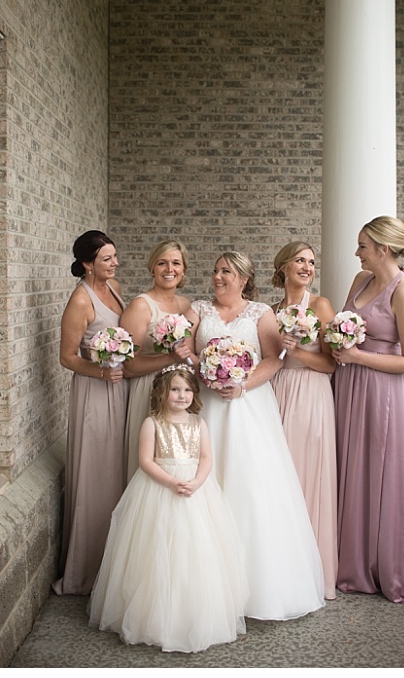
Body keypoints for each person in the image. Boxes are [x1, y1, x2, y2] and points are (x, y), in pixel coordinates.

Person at [183, 251, 326, 619]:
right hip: (208, 407)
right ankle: (203, 586)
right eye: (215, 271)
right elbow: (182, 347)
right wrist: (206, 369)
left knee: (251, 487)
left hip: (250, 409)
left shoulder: (260, 312)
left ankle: (257, 588)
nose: (217, 277)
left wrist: (242, 384)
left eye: (226, 272)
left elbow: (273, 359)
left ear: (244, 278)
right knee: (206, 483)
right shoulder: (199, 310)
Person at [87, 365, 248, 652]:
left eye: (187, 390)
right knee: (155, 549)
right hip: (159, 488)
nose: (181, 395)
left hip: (195, 491)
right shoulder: (152, 423)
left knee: (195, 548)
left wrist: (196, 482)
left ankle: (192, 611)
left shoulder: (199, 423)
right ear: (163, 391)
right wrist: (172, 482)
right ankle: (154, 616)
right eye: (175, 389)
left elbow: (207, 458)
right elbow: (146, 461)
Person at [332, 216, 404, 600]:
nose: (357, 253)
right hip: (348, 384)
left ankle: (380, 567)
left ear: (383, 250)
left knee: (377, 471)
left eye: (363, 247)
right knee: (347, 468)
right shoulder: (359, 282)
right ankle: (347, 563)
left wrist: (356, 357)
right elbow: (341, 325)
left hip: (381, 391)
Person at [54, 230, 129, 596]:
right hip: (95, 391)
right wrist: (100, 371)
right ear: (87, 264)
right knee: (97, 472)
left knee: (117, 470)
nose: (114, 263)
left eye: (114, 257)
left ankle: (116, 562)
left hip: (120, 386)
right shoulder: (81, 302)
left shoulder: (113, 287)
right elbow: (67, 357)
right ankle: (87, 569)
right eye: (106, 259)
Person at [270, 241, 339, 599]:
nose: (307, 267)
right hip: (276, 392)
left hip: (311, 393)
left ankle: (314, 573)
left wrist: (297, 351)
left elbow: (330, 364)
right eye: (300, 260)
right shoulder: (270, 310)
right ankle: (280, 568)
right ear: (283, 267)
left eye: (311, 262)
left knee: (307, 477)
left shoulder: (320, 305)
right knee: (278, 481)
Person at [118, 240, 194, 483]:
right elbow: (128, 367)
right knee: (152, 460)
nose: (168, 269)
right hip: (150, 389)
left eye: (175, 263)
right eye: (162, 263)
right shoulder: (141, 306)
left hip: (180, 393)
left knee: (177, 462)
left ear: (183, 270)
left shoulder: (185, 305)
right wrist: (169, 358)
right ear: (153, 268)